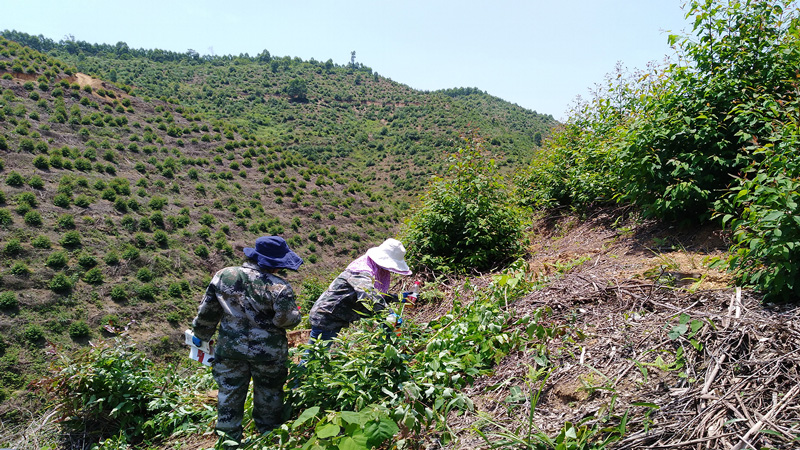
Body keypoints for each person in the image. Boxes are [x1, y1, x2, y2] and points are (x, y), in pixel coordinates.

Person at [191, 236, 303, 446]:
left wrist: (201, 336)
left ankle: (228, 440)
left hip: (230, 349)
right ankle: (267, 437)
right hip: (268, 354)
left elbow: (208, 312)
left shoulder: (225, 276)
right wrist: (296, 316)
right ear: (275, 264)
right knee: (269, 392)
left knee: (229, 392)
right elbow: (285, 320)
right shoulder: (279, 287)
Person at [308, 238, 412, 343]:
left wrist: (397, 298)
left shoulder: (375, 267)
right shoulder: (362, 270)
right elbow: (368, 295)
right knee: (315, 355)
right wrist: (390, 314)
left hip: (336, 316)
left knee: (321, 354)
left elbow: (377, 294)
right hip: (326, 315)